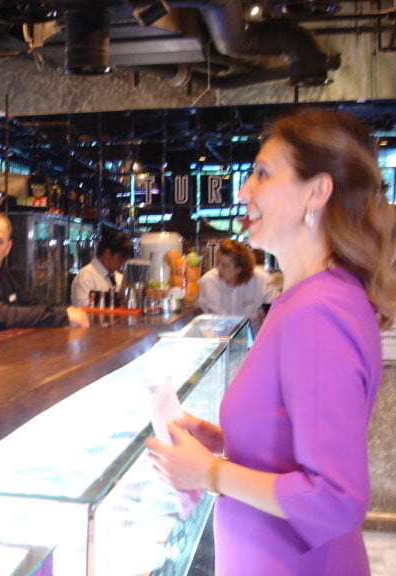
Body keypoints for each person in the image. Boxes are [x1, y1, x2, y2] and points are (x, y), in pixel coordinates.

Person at [146, 109, 396, 576]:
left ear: (317, 192)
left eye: (262, 174)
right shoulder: (306, 298)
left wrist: (209, 473)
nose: (244, 190)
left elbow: (336, 498)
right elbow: (295, 443)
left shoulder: (318, 311)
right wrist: (226, 441)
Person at [0, 210, 90, 343]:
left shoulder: (2, 274)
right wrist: (63, 315)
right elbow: (3, 315)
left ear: (7, 248)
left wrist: (66, 309)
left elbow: (29, 302)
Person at [198, 238, 278, 333]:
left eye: (224, 265)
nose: (219, 268)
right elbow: (201, 319)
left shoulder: (262, 280)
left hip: (255, 338)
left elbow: (276, 313)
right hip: (219, 338)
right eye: (218, 263)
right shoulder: (208, 281)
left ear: (239, 269)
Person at [70, 229, 134, 307]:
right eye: (120, 259)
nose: (122, 264)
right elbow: (81, 311)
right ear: (107, 253)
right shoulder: (85, 277)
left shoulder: (119, 278)